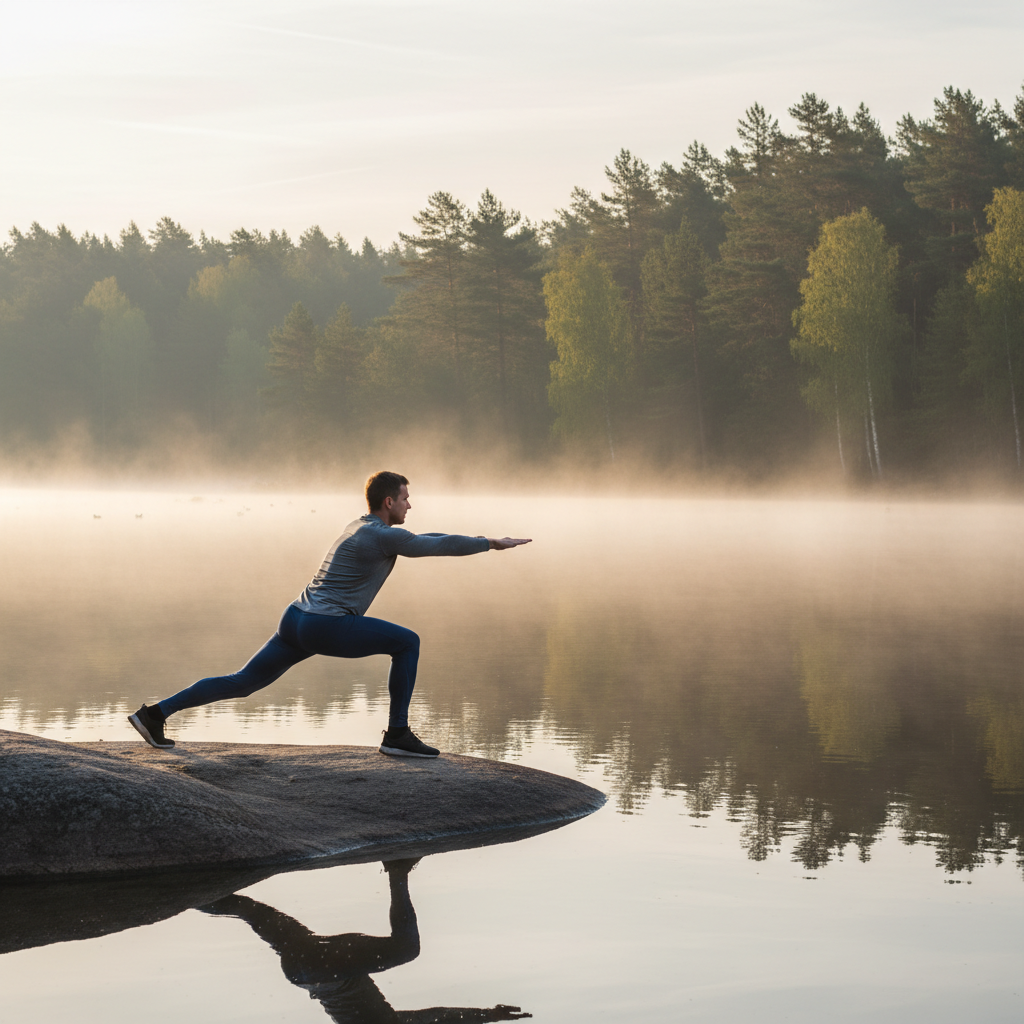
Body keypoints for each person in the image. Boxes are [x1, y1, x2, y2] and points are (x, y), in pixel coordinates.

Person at [128, 471, 530, 757]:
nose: (411, 503)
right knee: (407, 643)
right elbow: (432, 546)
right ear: (389, 502)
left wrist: (479, 538)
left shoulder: (360, 525)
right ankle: (397, 734)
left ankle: (155, 714)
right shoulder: (382, 535)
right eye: (406, 497)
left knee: (243, 681)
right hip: (325, 625)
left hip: (296, 619)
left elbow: (427, 537)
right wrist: (491, 543)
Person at [199, 859, 532, 1023]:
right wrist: (488, 1015)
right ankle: (182, 897)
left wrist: (490, 1015)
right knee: (249, 910)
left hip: (327, 968)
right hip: (301, 971)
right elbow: (439, 1016)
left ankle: (397, 871)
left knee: (407, 949)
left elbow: (438, 1016)